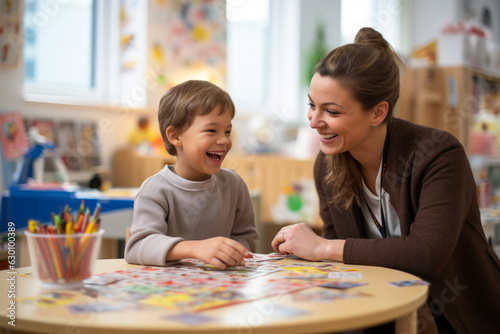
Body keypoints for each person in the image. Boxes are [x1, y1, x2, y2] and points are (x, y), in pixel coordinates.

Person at [271, 27, 500, 333]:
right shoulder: (326, 166)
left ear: (378, 112)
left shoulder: (438, 154)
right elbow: (342, 264)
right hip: (379, 314)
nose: (313, 122)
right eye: (312, 105)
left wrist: (322, 248)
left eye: (332, 111)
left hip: (460, 319)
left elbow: (425, 256)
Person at [125, 80, 258, 269]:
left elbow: (247, 238)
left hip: (221, 290)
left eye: (227, 131)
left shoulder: (233, 184)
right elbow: (137, 247)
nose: (224, 140)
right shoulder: (155, 190)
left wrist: (232, 253)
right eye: (211, 130)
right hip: (168, 295)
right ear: (175, 136)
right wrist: (196, 249)